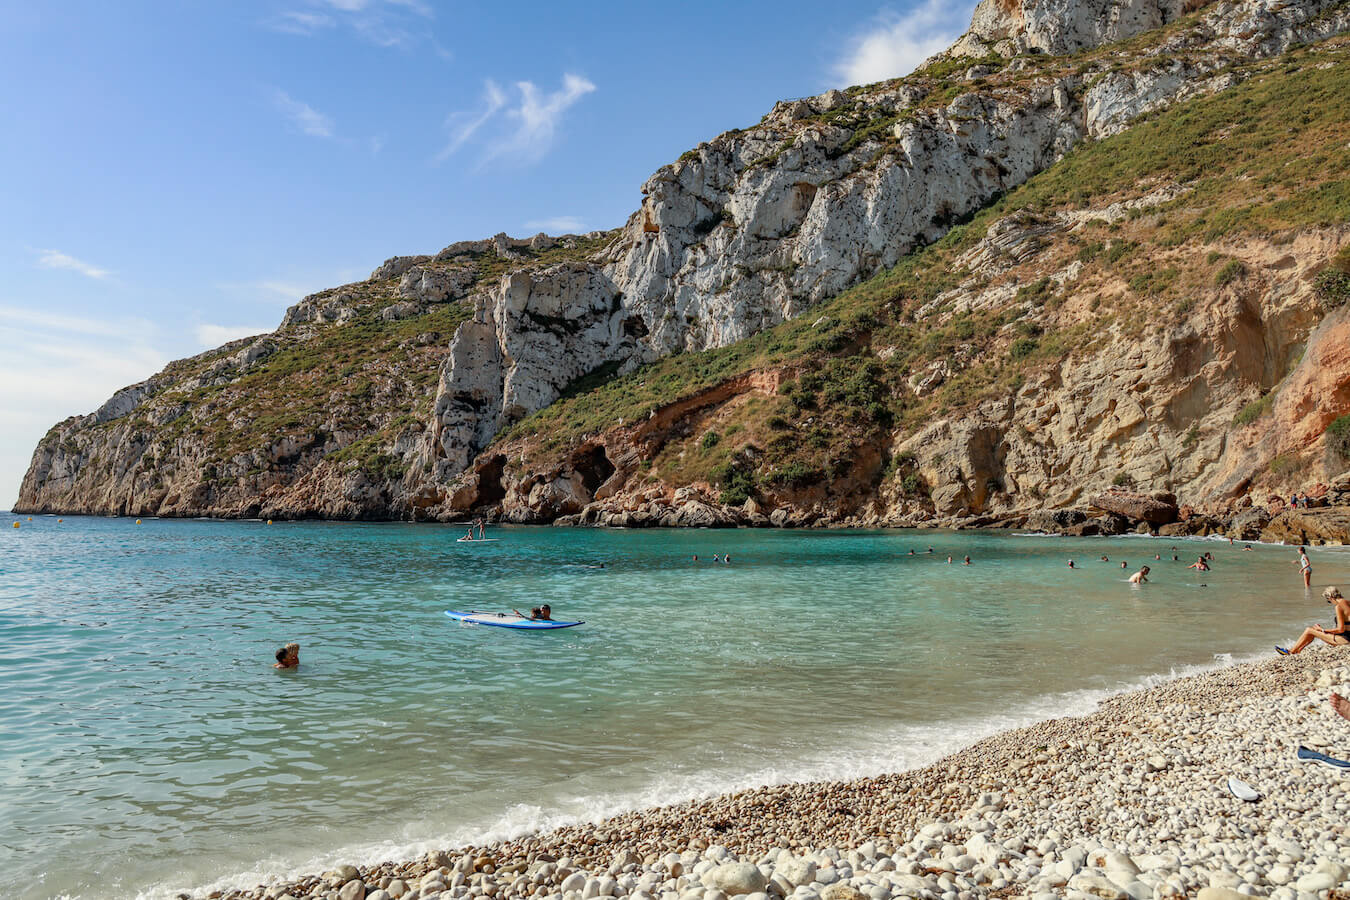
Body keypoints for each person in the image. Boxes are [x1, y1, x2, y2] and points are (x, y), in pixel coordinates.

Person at [1276, 587, 1350, 654]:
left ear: (1330, 597)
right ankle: (1297, 650)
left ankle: (1291, 652)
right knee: (1313, 630)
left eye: (1328, 601)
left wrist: (1322, 630)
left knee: (1309, 630)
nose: (1330, 603)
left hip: (1345, 640)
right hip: (1346, 636)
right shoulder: (1348, 602)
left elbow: (1340, 629)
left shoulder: (1339, 606)